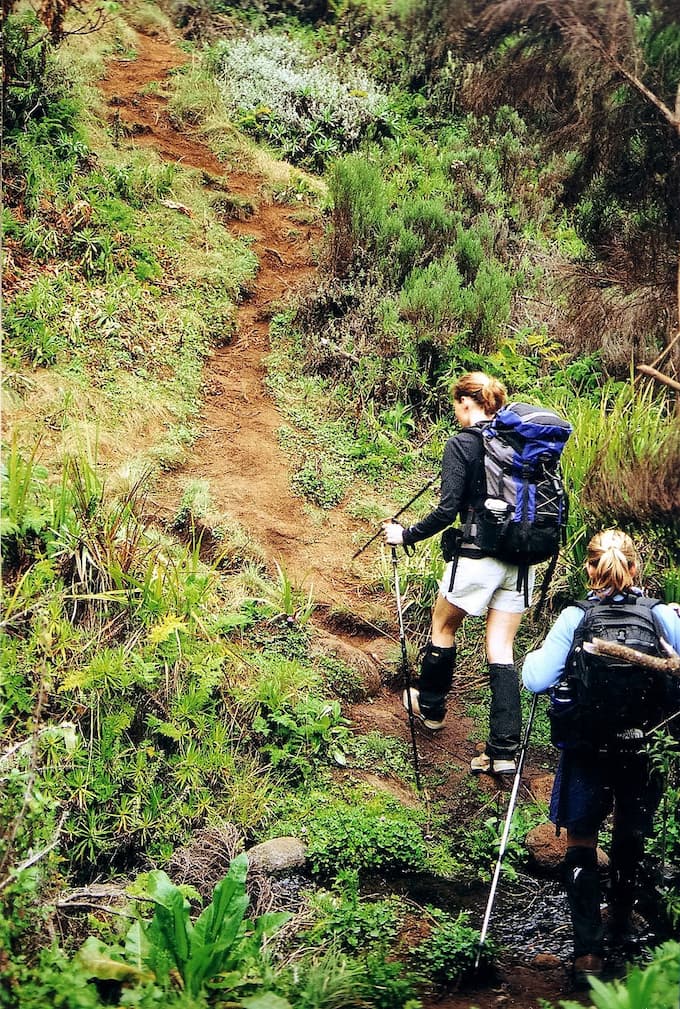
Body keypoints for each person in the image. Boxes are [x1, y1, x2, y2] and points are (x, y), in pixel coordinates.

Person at [522, 529, 680, 987]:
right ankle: (621, 925)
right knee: (630, 837)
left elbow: (534, 679)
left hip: (588, 749)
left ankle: (587, 954)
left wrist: (543, 656)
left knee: (581, 843)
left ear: (590, 569)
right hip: (644, 746)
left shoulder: (576, 616)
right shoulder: (660, 617)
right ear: (636, 567)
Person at [383, 371, 536, 776]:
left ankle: (430, 707)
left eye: (457, 405)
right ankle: (503, 751)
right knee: (502, 649)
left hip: (476, 558)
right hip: (521, 563)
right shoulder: (523, 441)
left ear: (468, 403)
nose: (456, 413)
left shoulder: (463, 444)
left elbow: (447, 509)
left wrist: (406, 535)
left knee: (442, 624)